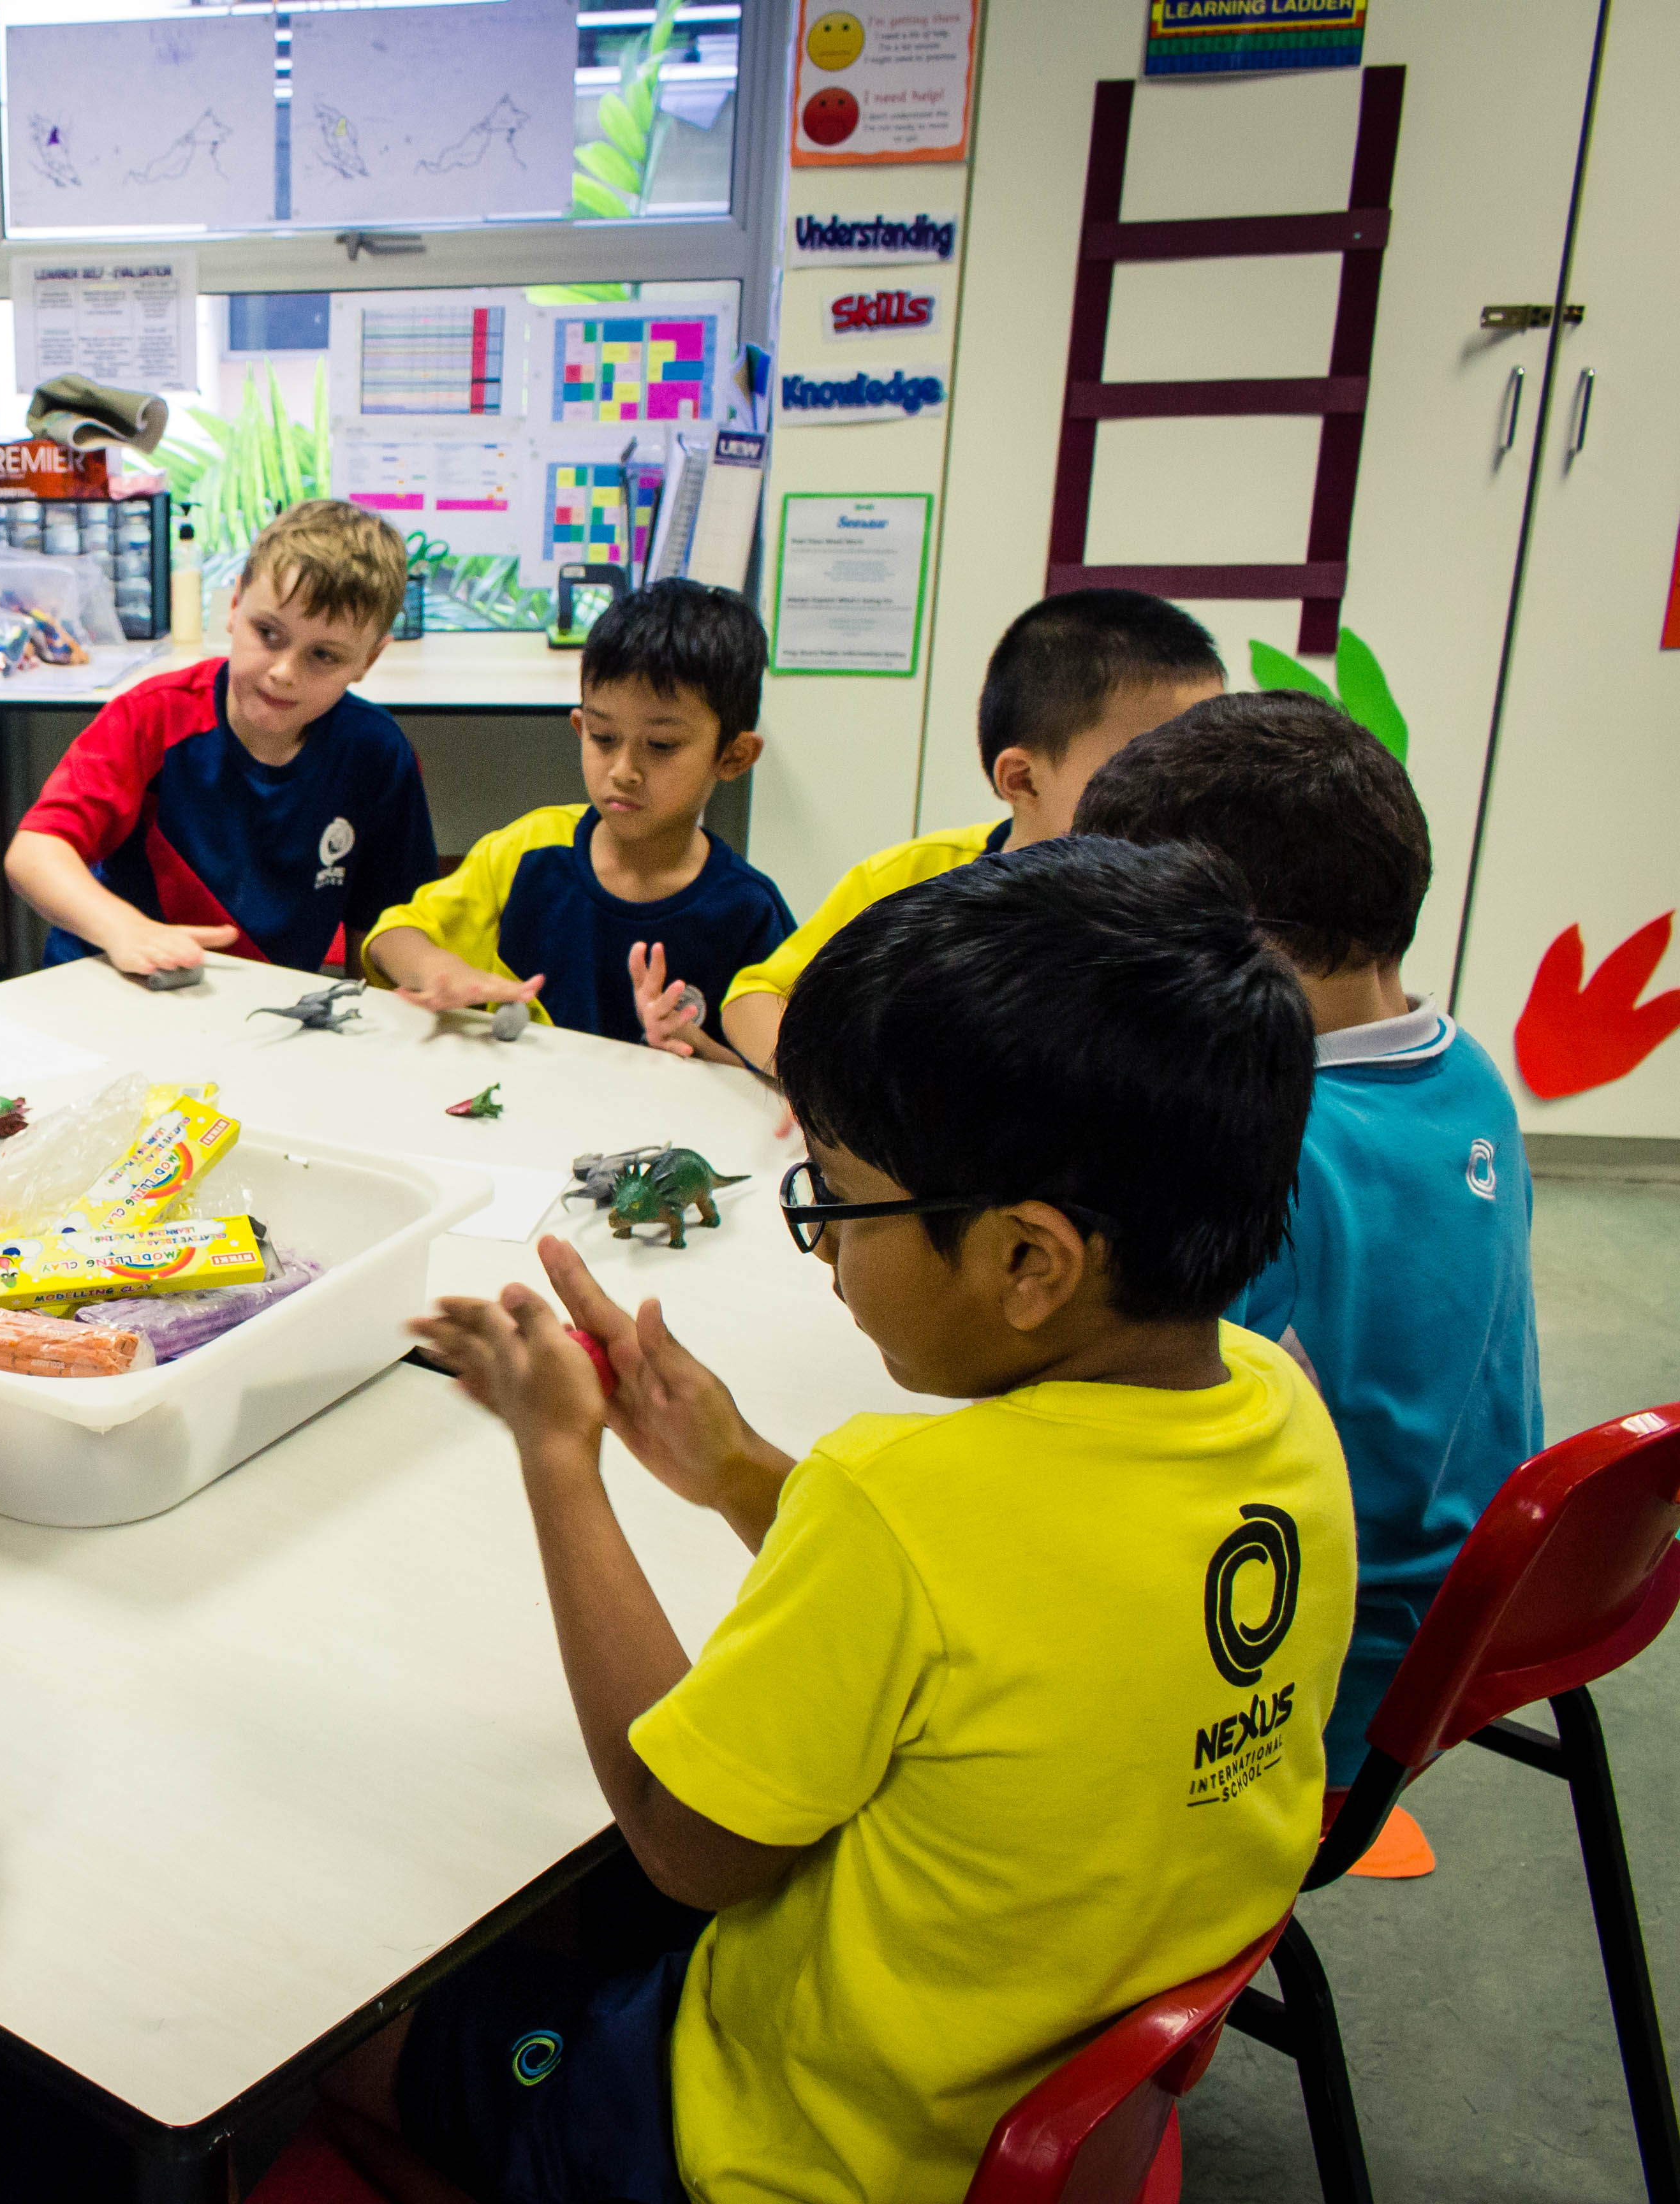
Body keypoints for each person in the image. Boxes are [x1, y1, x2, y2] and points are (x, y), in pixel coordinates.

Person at [323, 838, 1352, 2204]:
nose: (823, 1252)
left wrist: (560, 1460)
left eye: (840, 1205)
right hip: (1051, 2068)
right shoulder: (1279, 1404)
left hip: (793, 2144)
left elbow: (676, 1841)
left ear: (1027, 1261)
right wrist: (736, 1464)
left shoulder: (900, 1504)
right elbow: (1010, 1621)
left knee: (340, 2030)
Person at [1077, 691, 1540, 1802]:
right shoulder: (1460, 1065)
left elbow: (1117, 1454)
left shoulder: (1269, 1152)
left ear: (1223, 944)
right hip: (1465, 1613)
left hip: (1297, 1698)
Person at [717, 587, 1224, 1078]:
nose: (1189, 794)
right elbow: (756, 998)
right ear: (1023, 779)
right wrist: (824, 1086)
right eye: (1149, 768)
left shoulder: (1202, 911)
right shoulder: (912, 879)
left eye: (1206, 762)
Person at [4, 497, 439, 978]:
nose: (283, 672)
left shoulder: (376, 754)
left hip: (257, 1005)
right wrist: (124, 929)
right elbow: (35, 854)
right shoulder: (156, 715)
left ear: (368, 661)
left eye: (324, 656)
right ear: (234, 607)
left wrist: (425, 979)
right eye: (268, 633)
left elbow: (384, 924)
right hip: (118, 981)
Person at [362, 580, 790, 1058]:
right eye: (603, 737)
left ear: (733, 757)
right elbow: (392, 938)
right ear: (579, 728)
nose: (623, 771)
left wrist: (701, 1051)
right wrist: (440, 972)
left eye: (662, 746)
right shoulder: (529, 850)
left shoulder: (748, 912)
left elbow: (781, 1079)